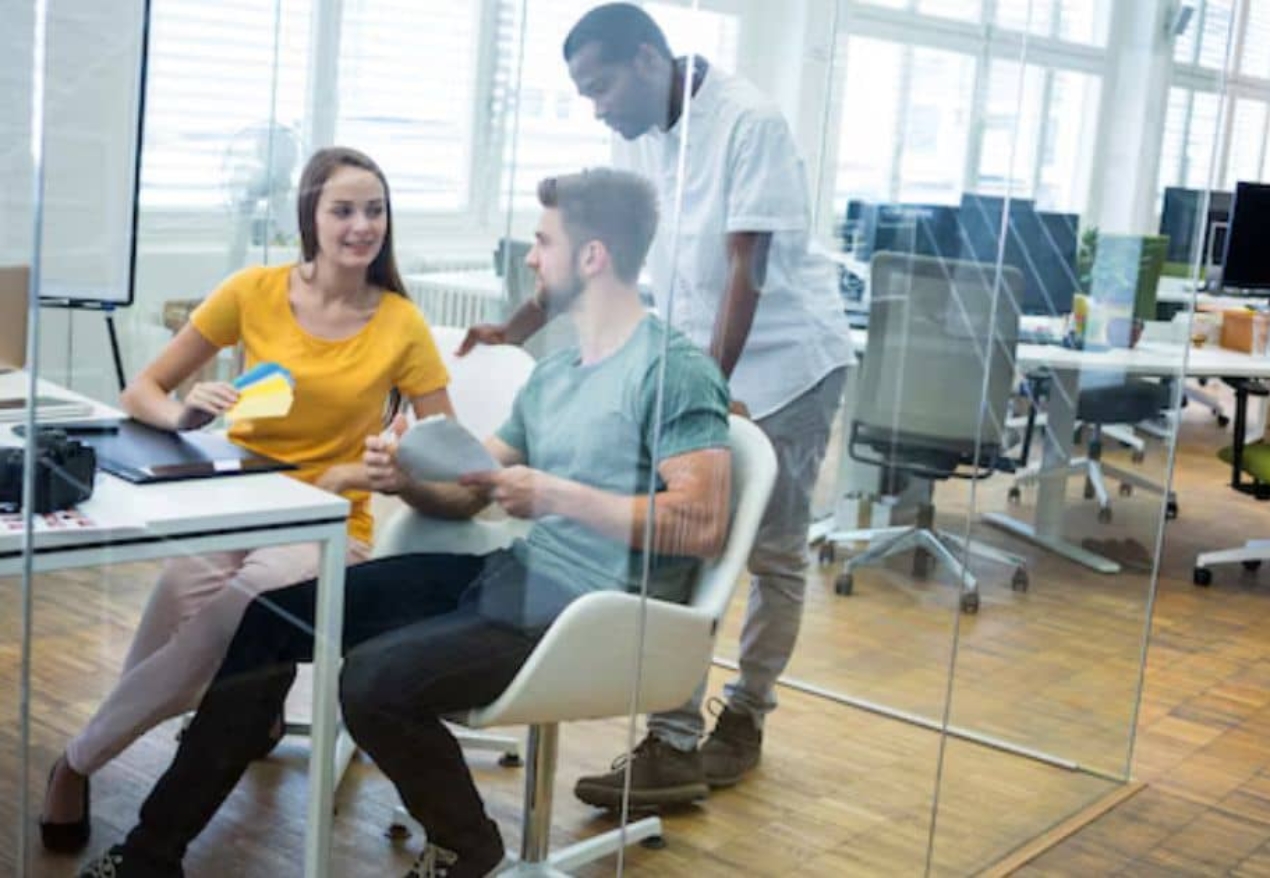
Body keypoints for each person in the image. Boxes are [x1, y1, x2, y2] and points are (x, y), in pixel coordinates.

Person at [75, 167, 733, 878]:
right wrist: (408, 475)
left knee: (373, 680)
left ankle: (467, 846)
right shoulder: (558, 373)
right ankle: (150, 856)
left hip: (593, 610)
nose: (533, 259)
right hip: (516, 576)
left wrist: (553, 494)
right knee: (271, 618)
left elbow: (698, 523)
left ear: (592, 257)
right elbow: (470, 491)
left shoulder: (673, 369)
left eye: (543, 243)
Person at [458, 3, 852, 806]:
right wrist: (519, 324)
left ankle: (744, 717)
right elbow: (604, 251)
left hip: (786, 366)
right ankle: (673, 741)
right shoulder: (637, 134)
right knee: (681, 544)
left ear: (648, 59)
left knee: (770, 553)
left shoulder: (750, 123)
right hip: (696, 365)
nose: (595, 105)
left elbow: (749, 270)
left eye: (600, 84)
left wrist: (702, 391)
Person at [41, 146, 455, 854]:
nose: (362, 226)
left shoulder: (400, 324)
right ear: (310, 217)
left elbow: (449, 455)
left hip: (327, 523)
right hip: (237, 501)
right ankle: (236, 706)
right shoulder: (254, 290)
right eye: (344, 210)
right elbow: (141, 390)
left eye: (375, 210)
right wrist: (183, 414)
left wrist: (394, 469)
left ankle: (76, 761)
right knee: (176, 593)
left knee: (237, 611)